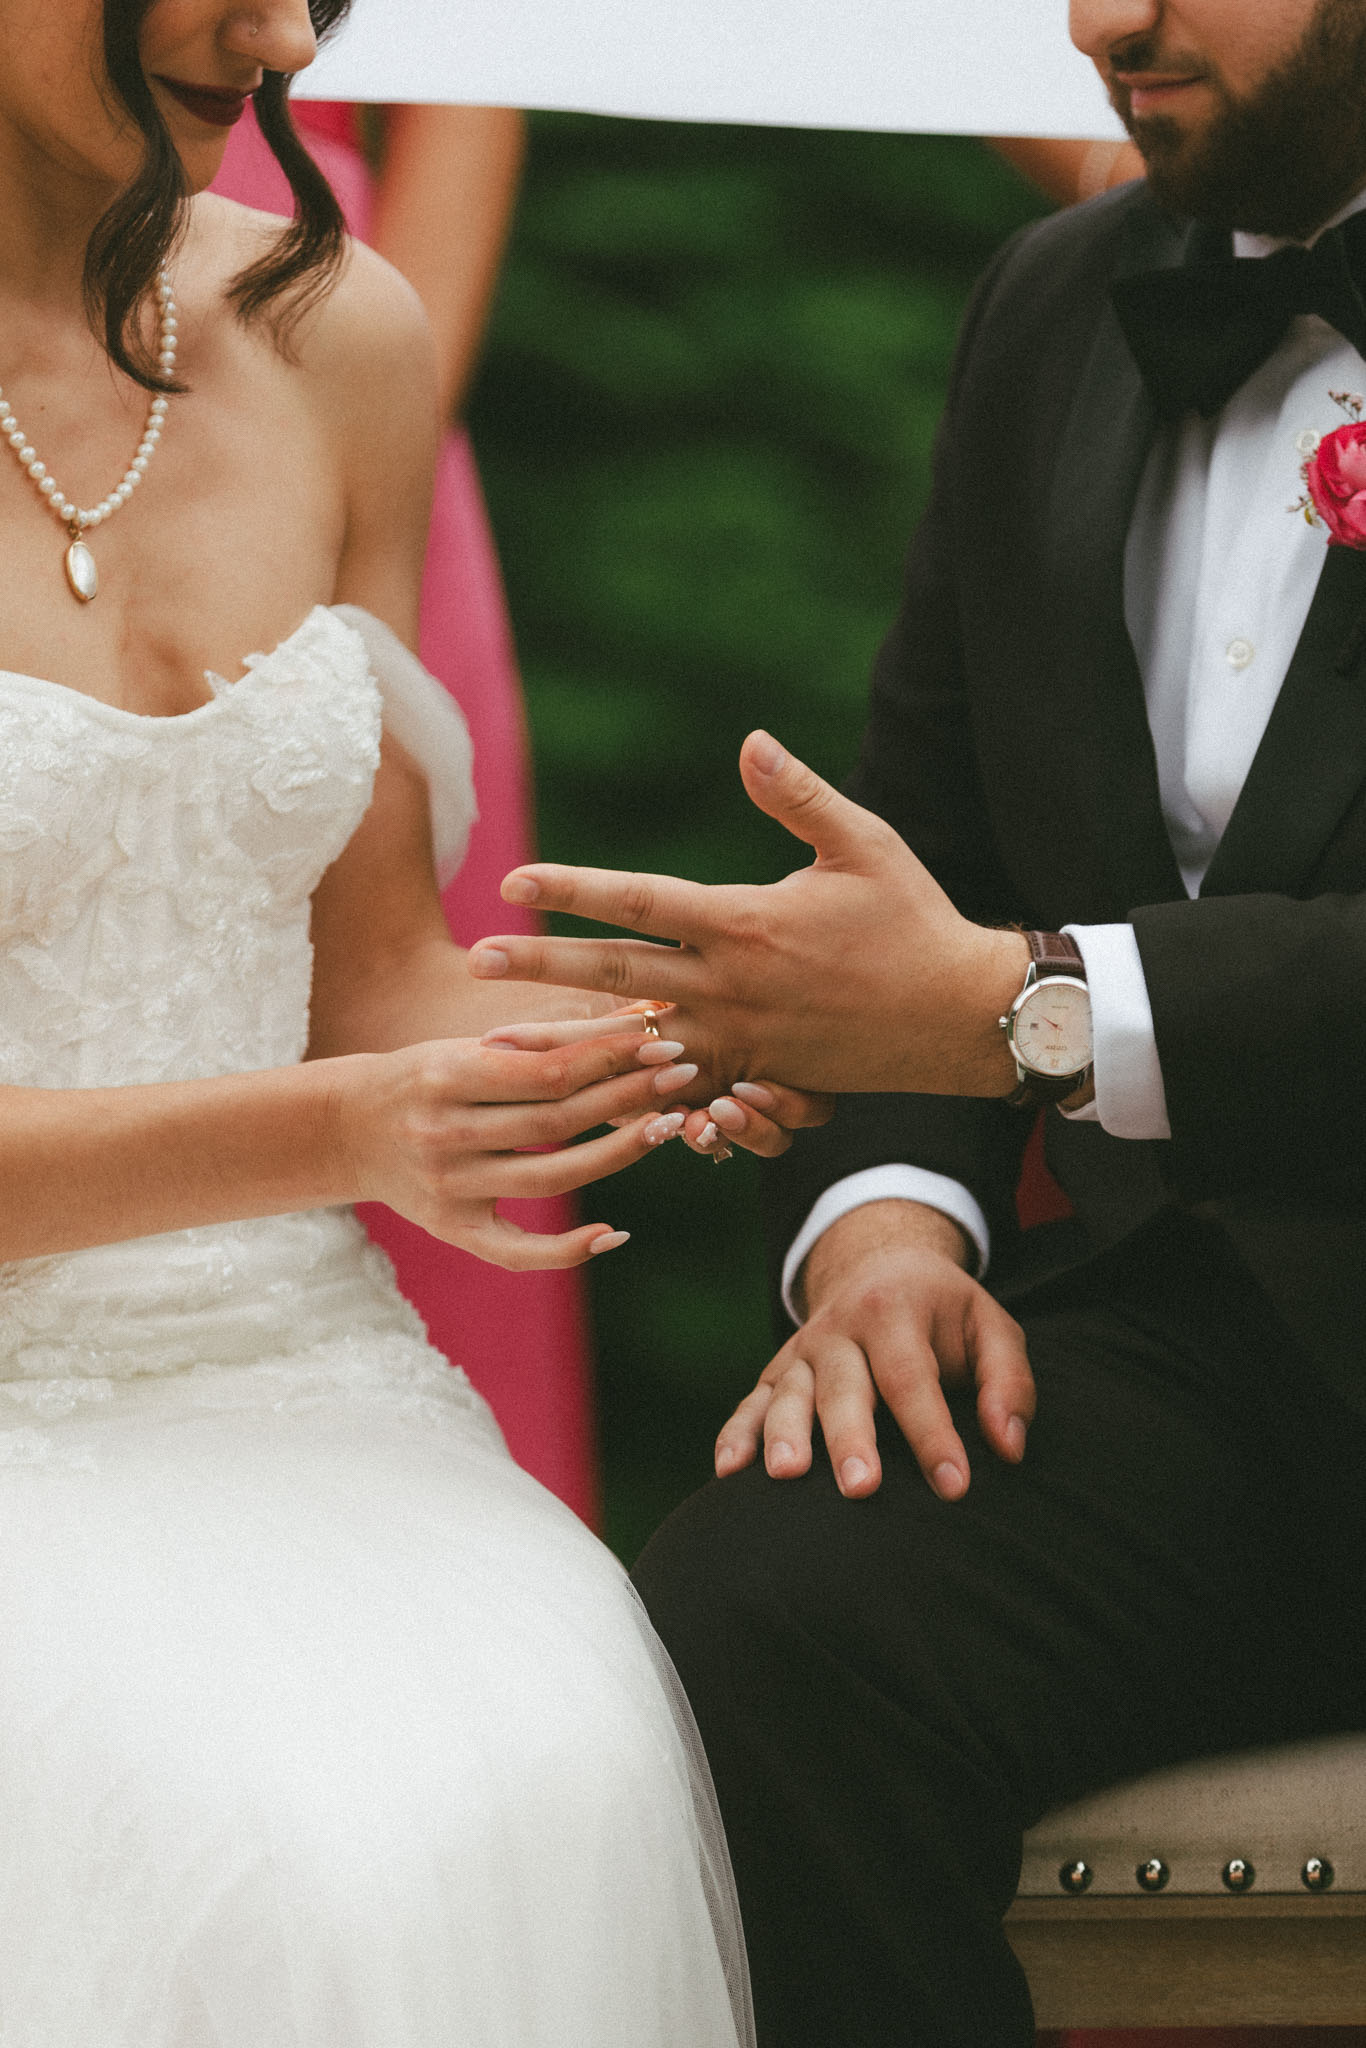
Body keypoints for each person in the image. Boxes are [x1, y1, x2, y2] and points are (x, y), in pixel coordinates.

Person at [468, 0, 1366, 2039]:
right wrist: (889, 1225)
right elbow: (932, 852)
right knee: (756, 1619)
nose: (1096, 22)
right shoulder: (1051, 302)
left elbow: (988, 980)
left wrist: (1034, 1013)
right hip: (1229, 1366)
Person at [0, 1, 827, 2036]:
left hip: (301, 1389)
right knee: (237, 1833)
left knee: (524, 1747)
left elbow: (372, 976)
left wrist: (675, 1023)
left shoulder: (332, 333)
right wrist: (351, 1137)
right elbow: (347, 1100)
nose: (279, 33)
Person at [210, 103, 604, 1520]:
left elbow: (463, 87)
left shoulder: (349, 339)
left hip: (302, 317)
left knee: (423, 1061)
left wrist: (337, 443)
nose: (288, 34)